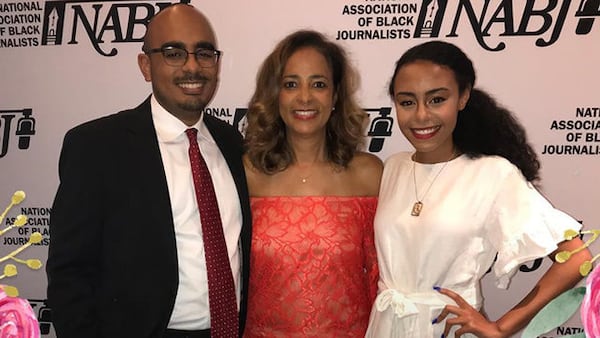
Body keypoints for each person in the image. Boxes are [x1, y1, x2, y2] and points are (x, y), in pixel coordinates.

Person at [46, 4, 251, 338]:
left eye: (204, 53)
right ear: (146, 65)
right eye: (173, 53)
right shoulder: (97, 147)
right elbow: (69, 273)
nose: (192, 66)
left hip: (230, 330)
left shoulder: (233, 142)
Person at [365, 40, 592, 338]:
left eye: (437, 100)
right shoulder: (393, 166)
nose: (421, 115)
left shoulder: (493, 173)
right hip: (387, 325)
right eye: (407, 102)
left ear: (463, 97)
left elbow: (576, 258)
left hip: (447, 329)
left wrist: (502, 326)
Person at [242, 30, 382, 337]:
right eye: (290, 84)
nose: (304, 97)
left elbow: (380, 278)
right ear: (275, 94)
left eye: (318, 84)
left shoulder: (368, 174)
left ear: (334, 96)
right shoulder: (246, 174)